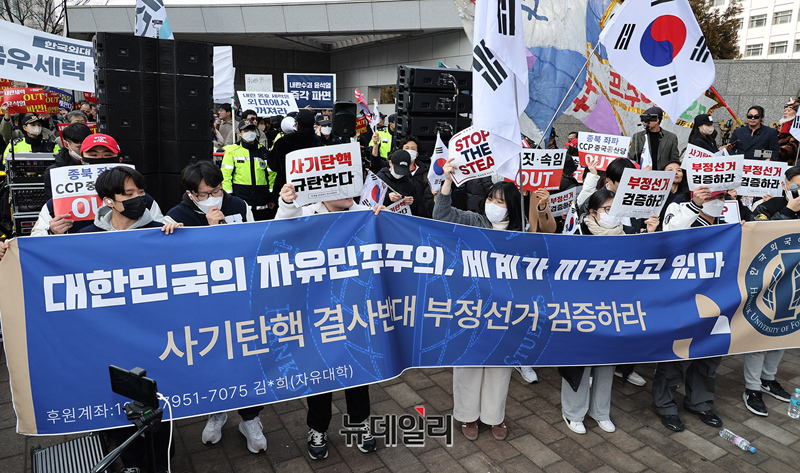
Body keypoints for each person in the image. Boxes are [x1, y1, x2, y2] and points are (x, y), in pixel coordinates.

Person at [275, 182, 381, 460]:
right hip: (316, 309)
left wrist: (383, 217)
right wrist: (287, 204)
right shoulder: (306, 212)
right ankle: (317, 428)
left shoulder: (365, 213)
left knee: (357, 369)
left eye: (351, 185)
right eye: (340, 186)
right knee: (319, 370)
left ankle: (360, 422)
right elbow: (278, 234)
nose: (348, 192)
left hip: (354, 309)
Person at [434, 158, 537, 442]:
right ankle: (467, 415)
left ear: (512, 207)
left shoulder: (519, 233)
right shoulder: (475, 221)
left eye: (500, 201)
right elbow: (442, 215)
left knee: (499, 364)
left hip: (504, 308)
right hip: (472, 304)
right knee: (468, 360)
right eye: (491, 198)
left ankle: (494, 416)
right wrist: (447, 181)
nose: (493, 204)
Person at [653, 185, 726, 432]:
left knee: (710, 353)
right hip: (683, 297)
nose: (718, 200)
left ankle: (699, 402)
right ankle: (665, 405)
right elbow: (669, 235)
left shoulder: (729, 221)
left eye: (723, 196)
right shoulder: (681, 211)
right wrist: (695, 204)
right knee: (678, 352)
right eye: (714, 195)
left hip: (718, 297)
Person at [30, 133, 164, 236]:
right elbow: (34, 240)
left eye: (108, 155)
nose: (100, 160)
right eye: (93, 155)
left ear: (119, 160)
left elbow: (160, 231)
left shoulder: (140, 198)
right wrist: (51, 232)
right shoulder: (58, 202)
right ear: (81, 160)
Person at [166, 160, 254, 226]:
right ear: (190, 194)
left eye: (215, 191)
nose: (211, 198)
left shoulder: (240, 206)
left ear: (221, 185)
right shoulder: (175, 217)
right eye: (203, 195)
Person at [220, 119, 275, 219]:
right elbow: (226, 176)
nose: (249, 133)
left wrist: (272, 197)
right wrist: (229, 198)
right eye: (246, 131)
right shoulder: (232, 152)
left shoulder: (264, 152)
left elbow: (272, 176)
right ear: (239, 133)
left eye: (252, 130)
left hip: (262, 201)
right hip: (240, 199)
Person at [268, 109, 320, 204]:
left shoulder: (282, 142)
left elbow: (273, 165)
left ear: (297, 124)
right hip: (314, 193)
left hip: (288, 193)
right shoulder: (320, 143)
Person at [376, 149, 433, 218]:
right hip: (381, 218)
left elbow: (415, 212)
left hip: (400, 220)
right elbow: (370, 200)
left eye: (403, 171)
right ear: (390, 163)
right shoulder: (379, 179)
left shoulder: (410, 184)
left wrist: (412, 203)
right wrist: (387, 196)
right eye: (398, 170)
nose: (400, 174)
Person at [42, 123, 93, 200]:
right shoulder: (55, 171)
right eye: (79, 147)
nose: (84, 150)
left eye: (88, 147)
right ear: (66, 145)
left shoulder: (99, 163)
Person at [777, 97, 799, 164]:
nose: (785, 113)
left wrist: (775, 153)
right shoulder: (778, 127)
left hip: (789, 163)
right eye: (785, 110)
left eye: (789, 111)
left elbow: (793, 147)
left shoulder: (797, 129)